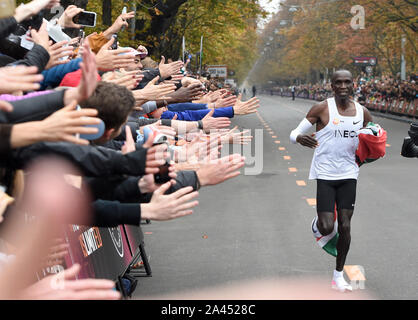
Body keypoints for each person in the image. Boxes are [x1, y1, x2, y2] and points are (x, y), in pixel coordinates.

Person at [289, 70, 373, 292]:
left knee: (345, 225)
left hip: (349, 175)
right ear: (332, 85)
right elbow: (293, 133)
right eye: (338, 82)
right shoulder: (322, 108)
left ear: (353, 84)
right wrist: (299, 138)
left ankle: (337, 275)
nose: (343, 86)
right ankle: (317, 225)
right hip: (325, 175)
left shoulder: (363, 113)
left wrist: (365, 158)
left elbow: (373, 143)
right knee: (327, 226)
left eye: (347, 82)